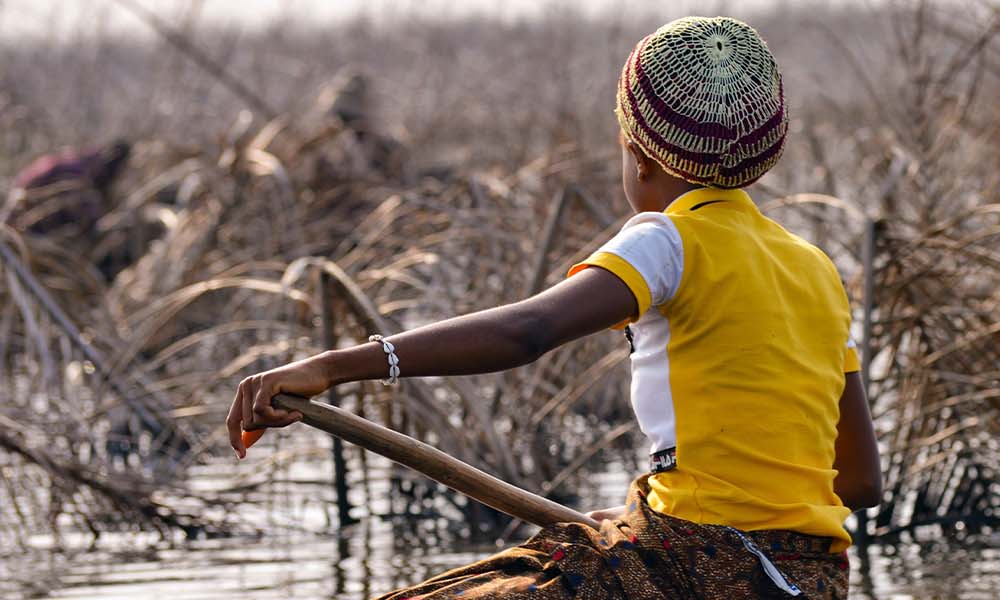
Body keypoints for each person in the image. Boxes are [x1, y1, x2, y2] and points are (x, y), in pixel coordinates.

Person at [227, 16, 880, 599]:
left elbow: (527, 331)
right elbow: (858, 483)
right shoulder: (817, 270)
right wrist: (643, 520)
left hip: (697, 567)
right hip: (812, 579)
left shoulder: (667, 239)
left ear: (640, 156)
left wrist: (335, 366)